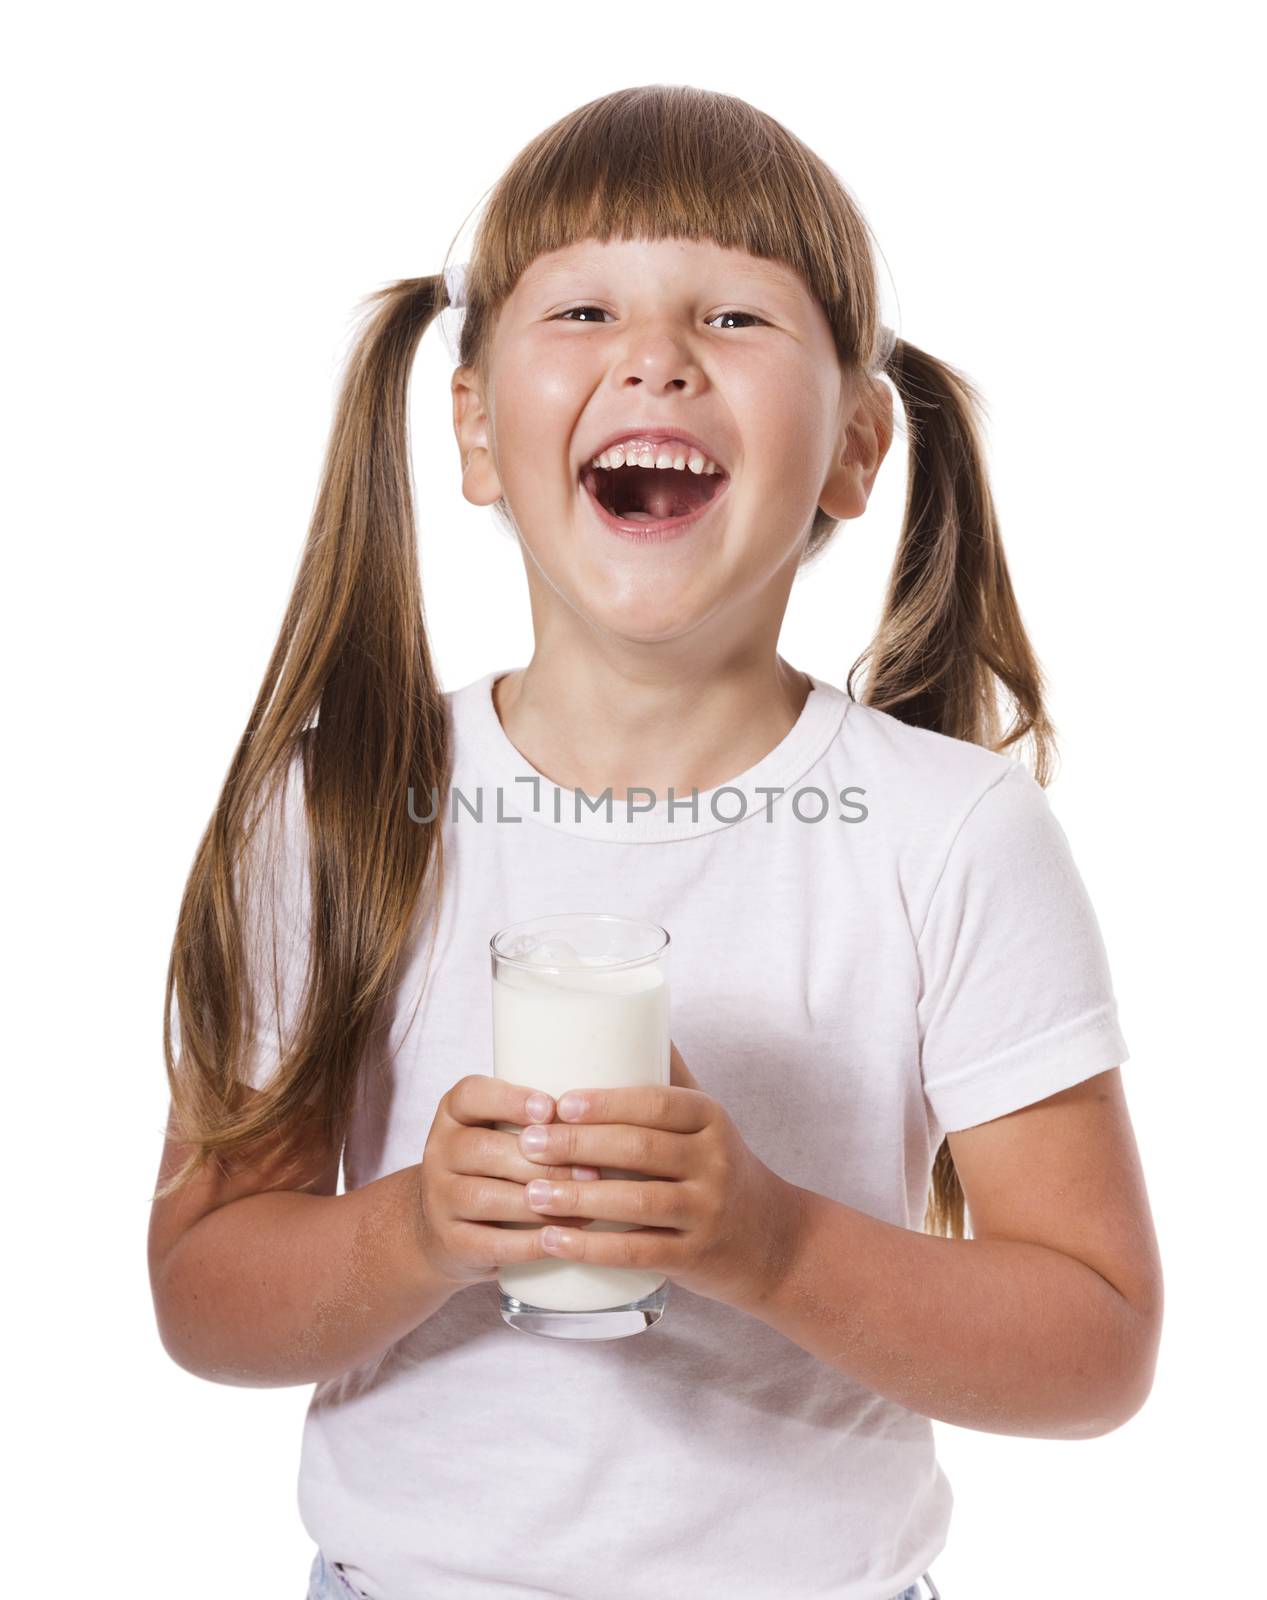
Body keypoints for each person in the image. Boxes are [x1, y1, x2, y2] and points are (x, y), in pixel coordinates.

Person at [147, 84, 1163, 1600]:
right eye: (584, 308)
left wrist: (773, 1245)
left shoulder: (951, 835)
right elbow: (203, 1297)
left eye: (737, 319)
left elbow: (1096, 1344)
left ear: (856, 448)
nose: (655, 357)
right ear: (478, 431)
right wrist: (418, 1229)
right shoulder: (338, 809)